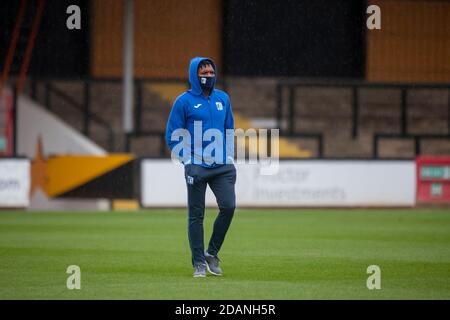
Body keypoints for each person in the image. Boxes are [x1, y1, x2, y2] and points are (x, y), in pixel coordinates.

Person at [165, 57, 236, 277]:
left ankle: (211, 253)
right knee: (196, 215)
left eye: (211, 72)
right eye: (203, 72)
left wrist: (229, 155)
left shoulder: (223, 98)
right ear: (194, 75)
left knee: (229, 207)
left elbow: (229, 129)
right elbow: (172, 136)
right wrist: (187, 160)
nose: (208, 76)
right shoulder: (183, 101)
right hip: (196, 166)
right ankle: (198, 263)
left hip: (222, 166)